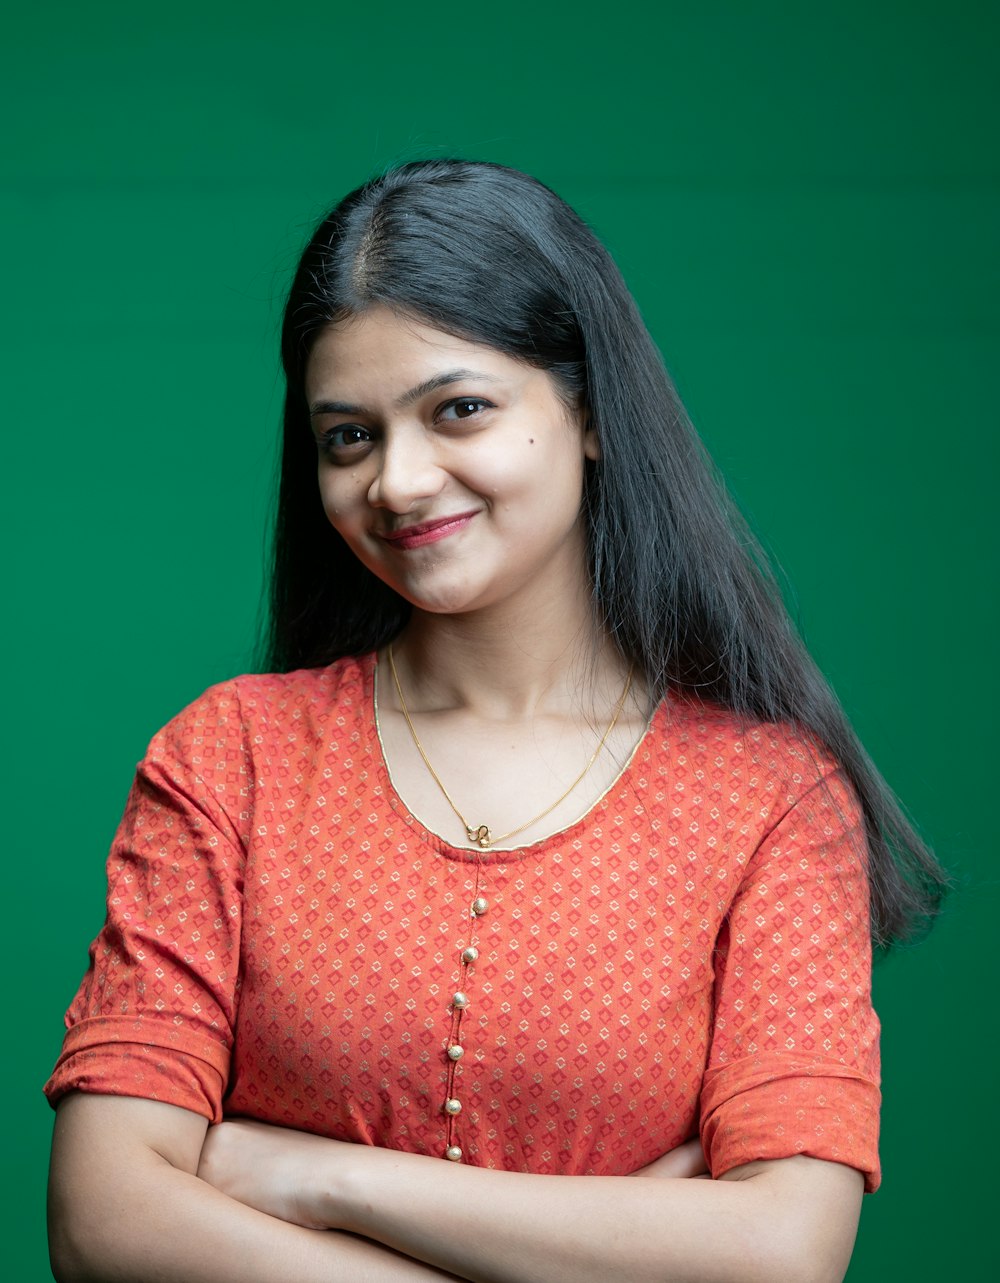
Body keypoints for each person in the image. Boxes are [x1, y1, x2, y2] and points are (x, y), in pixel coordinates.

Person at [45, 159, 946, 1283]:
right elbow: (104, 1220)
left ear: (591, 415)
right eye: (349, 437)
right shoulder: (230, 758)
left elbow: (779, 1251)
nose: (400, 481)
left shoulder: (770, 798)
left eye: (457, 408)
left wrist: (315, 1176)